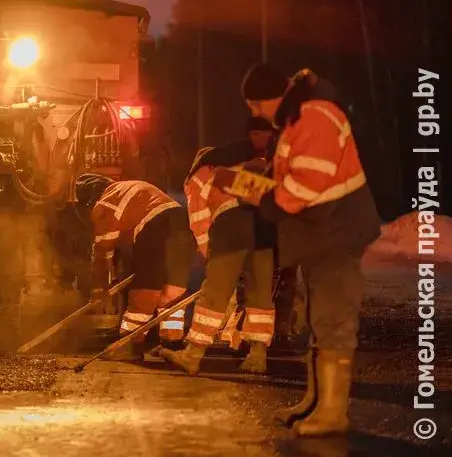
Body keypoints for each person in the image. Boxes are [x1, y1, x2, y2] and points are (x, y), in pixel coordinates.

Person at [214, 65, 380, 436]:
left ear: (268, 98)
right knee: (320, 320)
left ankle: (333, 413)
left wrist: (266, 200)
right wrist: (250, 185)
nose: (255, 113)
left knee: (334, 321)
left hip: (337, 232)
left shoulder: (314, 116)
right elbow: (290, 179)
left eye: (255, 105)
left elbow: (307, 184)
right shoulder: (297, 118)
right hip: (323, 234)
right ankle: (316, 403)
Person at [160, 140, 275, 375]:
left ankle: (192, 355)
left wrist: (209, 255)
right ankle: (258, 356)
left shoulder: (199, 175)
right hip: (263, 226)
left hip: (230, 226)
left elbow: (199, 220)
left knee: (214, 293)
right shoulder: (241, 166)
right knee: (260, 292)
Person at [74, 174, 196, 360]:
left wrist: (99, 290)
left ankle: (129, 345)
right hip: (182, 224)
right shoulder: (129, 187)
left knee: (145, 290)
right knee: (173, 293)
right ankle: (172, 345)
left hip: (155, 229)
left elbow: (102, 253)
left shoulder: (105, 203)